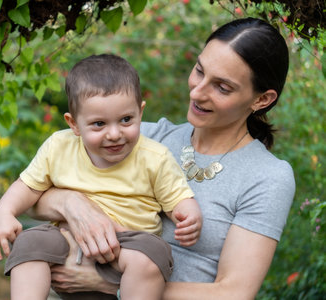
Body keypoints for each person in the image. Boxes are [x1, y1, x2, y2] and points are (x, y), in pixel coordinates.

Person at [28, 17, 296, 299]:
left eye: (222, 87)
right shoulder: (142, 138)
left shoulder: (267, 176)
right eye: (199, 71)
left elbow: (234, 292)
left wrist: (111, 284)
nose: (197, 91)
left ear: (261, 100)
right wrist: (73, 204)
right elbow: (32, 194)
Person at [0, 54, 202, 299]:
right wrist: (4, 213)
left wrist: (188, 214)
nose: (114, 134)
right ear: (74, 124)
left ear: (140, 112)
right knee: (29, 243)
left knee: (151, 257)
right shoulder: (59, 146)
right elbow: (27, 187)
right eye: (99, 124)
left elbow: (177, 198)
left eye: (126, 120)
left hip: (128, 244)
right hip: (67, 238)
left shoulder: (155, 157)